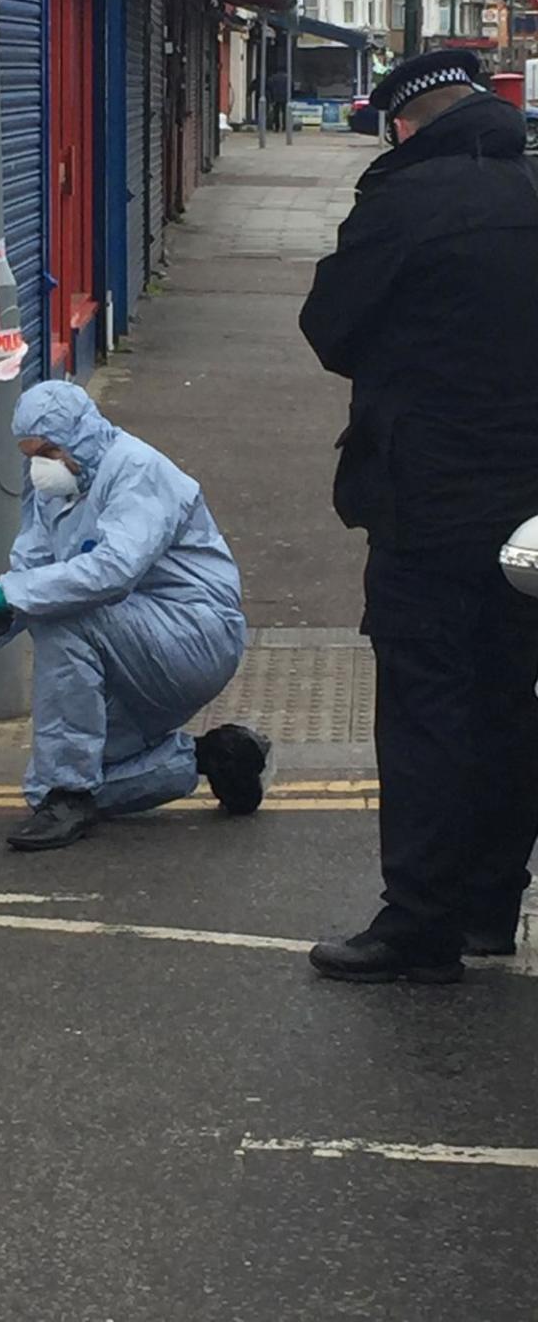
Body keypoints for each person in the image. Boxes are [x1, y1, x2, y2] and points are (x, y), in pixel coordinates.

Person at [299, 49, 538, 984]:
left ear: (406, 123)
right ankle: (488, 904)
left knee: (430, 707)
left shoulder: (401, 207)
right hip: (531, 519)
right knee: (513, 704)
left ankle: (420, 924)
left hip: (430, 504)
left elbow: (332, 330)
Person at [0, 382, 271, 851]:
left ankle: (73, 796)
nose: (40, 466)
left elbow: (113, 571)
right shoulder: (55, 490)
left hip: (196, 636)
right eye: (30, 454)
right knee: (44, 787)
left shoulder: (137, 470)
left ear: (80, 435)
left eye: (48, 450)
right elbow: (32, 575)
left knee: (66, 618)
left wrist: (6, 596)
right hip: (129, 649)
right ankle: (214, 759)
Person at [268, 69, 290, 133]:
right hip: (284, 97)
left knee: (276, 113)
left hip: (276, 97)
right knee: (285, 113)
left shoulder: (273, 78)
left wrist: (272, 96)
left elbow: (270, 86)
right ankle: (284, 127)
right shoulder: (287, 78)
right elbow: (291, 86)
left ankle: (277, 127)